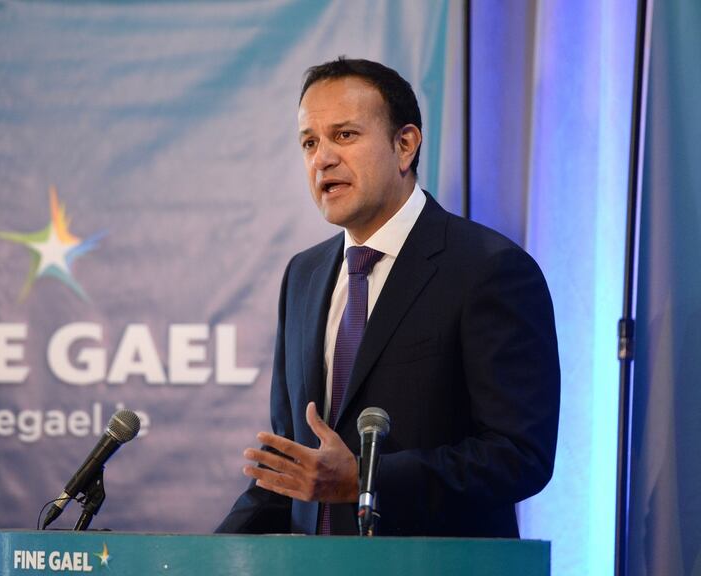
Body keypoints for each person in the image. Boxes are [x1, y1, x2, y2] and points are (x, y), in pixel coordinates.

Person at [216, 58, 559, 537]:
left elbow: (519, 455)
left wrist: (364, 480)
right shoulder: (304, 275)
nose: (322, 159)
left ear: (405, 144)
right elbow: (292, 468)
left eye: (345, 135)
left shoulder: (489, 269)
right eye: (309, 142)